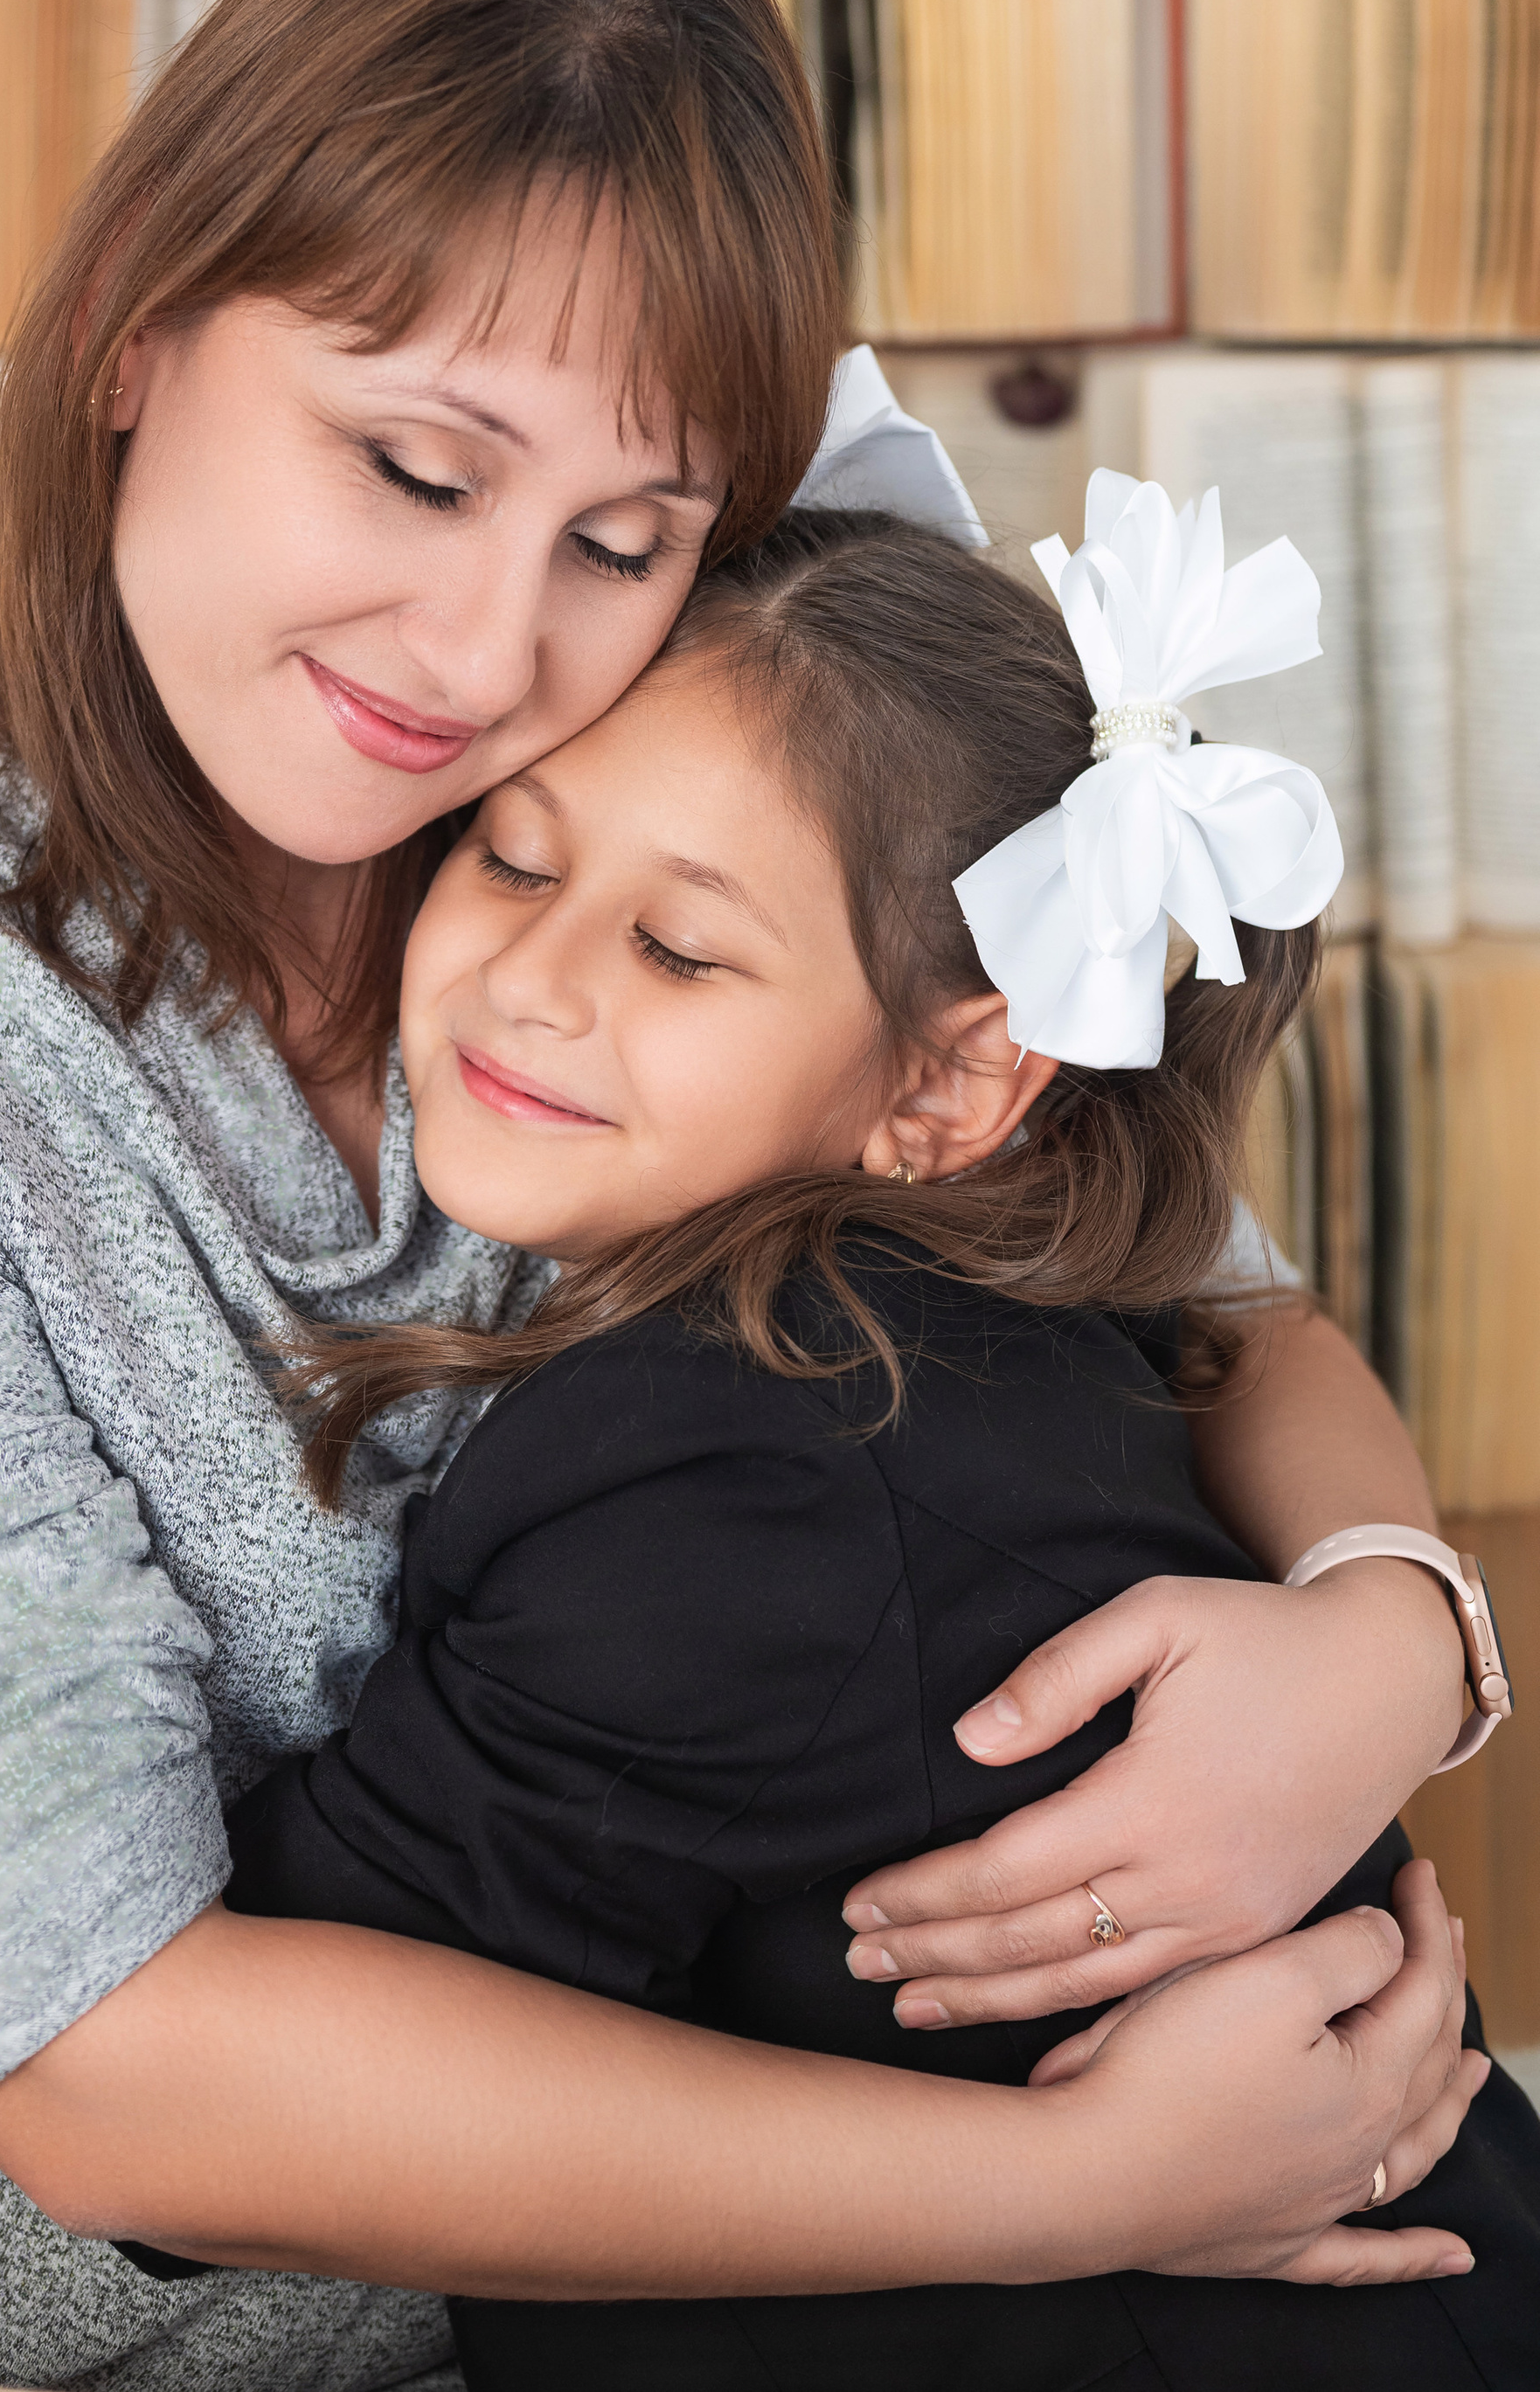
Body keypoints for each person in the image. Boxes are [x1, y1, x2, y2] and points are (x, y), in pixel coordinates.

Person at [0, 0, 1480, 2382]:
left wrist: (1392, 1629)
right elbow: (99, 2066)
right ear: (135, 326)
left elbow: (1185, 1285)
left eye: (620, 537)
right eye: (414, 471)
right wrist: (1081, 2184)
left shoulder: (690, 688)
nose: (484, 655)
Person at [219, 488, 1538, 2389]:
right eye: (508, 859)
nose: (531, 974)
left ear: (946, 1080)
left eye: (676, 949)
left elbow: (245, 2074)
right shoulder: (973, 1307)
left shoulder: (729, 1472)